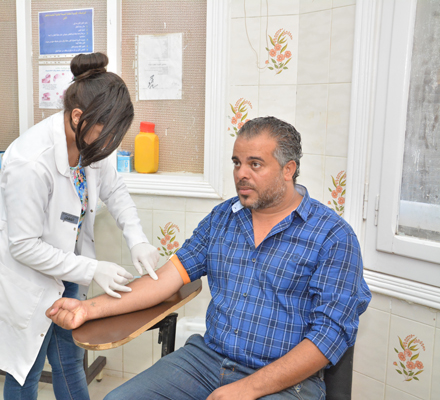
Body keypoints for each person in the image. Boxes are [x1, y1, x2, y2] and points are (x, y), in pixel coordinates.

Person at [47, 116, 372, 400]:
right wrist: (87, 309)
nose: (241, 174)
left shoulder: (333, 237)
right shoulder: (223, 218)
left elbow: (329, 338)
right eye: (236, 163)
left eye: (254, 164)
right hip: (209, 359)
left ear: (288, 169)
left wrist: (250, 388)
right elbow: (166, 279)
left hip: (286, 381)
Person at [0, 52, 160, 400]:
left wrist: (137, 240)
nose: (112, 146)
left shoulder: (91, 145)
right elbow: (24, 246)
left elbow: (114, 189)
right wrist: (93, 269)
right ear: (78, 117)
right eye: (110, 134)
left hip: (67, 272)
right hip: (26, 281)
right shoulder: (30, 161)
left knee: (70, 362)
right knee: (25, 372)